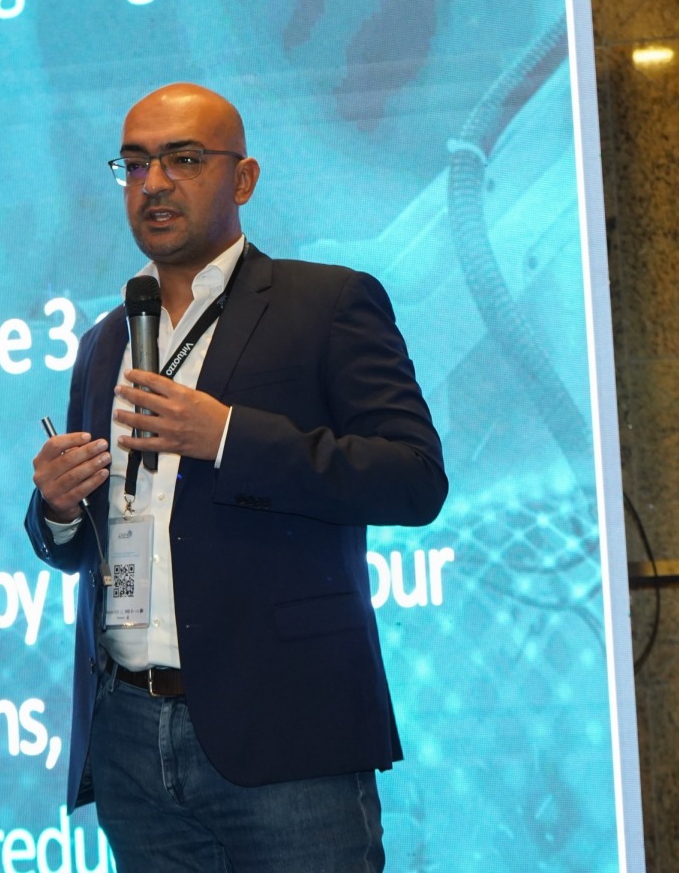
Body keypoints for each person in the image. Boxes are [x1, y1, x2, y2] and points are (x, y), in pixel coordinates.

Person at [25, 83, 446, 872]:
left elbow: (413, 479)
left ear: (243, 179)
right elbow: (86, 545)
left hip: (285, 729)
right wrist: (56, 505)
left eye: (183, 160)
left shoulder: (325, 303)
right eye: (135, 164)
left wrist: (225, 436)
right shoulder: (104, 341)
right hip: (128, 733)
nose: (154, 183)